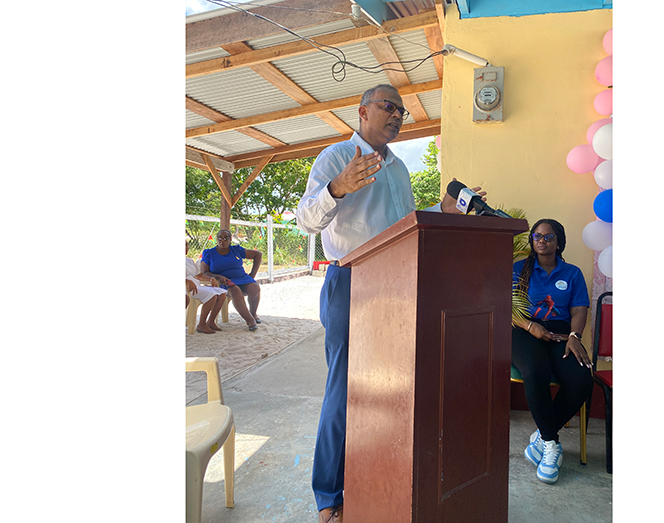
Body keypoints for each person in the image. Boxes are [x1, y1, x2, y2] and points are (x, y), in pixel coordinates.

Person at [296, 84, 485, 523]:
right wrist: (337, 188)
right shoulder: (336, 158)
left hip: (401, 287)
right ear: (363, 111)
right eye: (388, 106)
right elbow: (306, 219)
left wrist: (443, 213)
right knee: (344, 391)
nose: (397, 115)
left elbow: (405, 231)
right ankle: (329, 496)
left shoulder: (398, 170)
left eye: (401, 110)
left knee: (394, 387)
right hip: (352, 282)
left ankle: (382, 473)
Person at [511, 218, 593, 484]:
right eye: (537, 236)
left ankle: (542, 436)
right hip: (522, 331)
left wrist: (574, 337)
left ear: (559, 242)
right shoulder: (518, 269)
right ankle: (550, 445)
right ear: (532, 241)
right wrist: (530, 326)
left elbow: (579, 310)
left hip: (560, 333)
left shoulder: (572, 273)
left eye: (548, 237)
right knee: (536, 370)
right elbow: (506, 305)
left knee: (582, 378)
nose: (542, 241)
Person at [201, 230, 263, 331]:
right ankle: (250, 320)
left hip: (242, 278)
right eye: (220, 238)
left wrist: (252, 275)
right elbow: (204, 272)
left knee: (254, 287)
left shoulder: (236, 250)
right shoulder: (209, 253)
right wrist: (218, 277)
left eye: (226, 238)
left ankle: (253, 313)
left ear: (230, 240)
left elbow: (258, 255)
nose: (223, 241)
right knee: (235, 291)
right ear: (217, 240)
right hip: (223, 282)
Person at [185, 240, 228, 334]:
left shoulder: (189, 261)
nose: (186, 248)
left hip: (197, 286)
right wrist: (186, 281)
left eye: (187, 246)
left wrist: (211, 278)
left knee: (221, 293)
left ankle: (211, 321)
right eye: (184, 246)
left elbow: (198, 275)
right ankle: (201, 324)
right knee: (212, 295)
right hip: (187, 289)